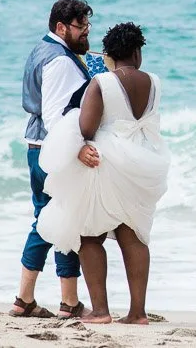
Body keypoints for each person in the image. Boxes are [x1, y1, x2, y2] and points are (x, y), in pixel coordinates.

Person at [37, 22, 169, 325]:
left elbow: (86, 128)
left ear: (108, 54)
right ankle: (138, 313)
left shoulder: (102, 82)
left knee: (90, 235)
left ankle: (100, 310)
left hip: (106, 163)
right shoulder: (155, 82)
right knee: (133, 235)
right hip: (140, 164)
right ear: (136, 52)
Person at [10, 0, 93, 319]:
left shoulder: (43, 49)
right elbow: (56, 117)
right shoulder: (59, 60)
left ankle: (35, 300)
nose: (86, 32)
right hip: (51, 150)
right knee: (56, 221)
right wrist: (77, 148)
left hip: (37, 147)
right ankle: (55, 302)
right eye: (80, 26)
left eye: (87, 25)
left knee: (51, 220)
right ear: (61, 27)